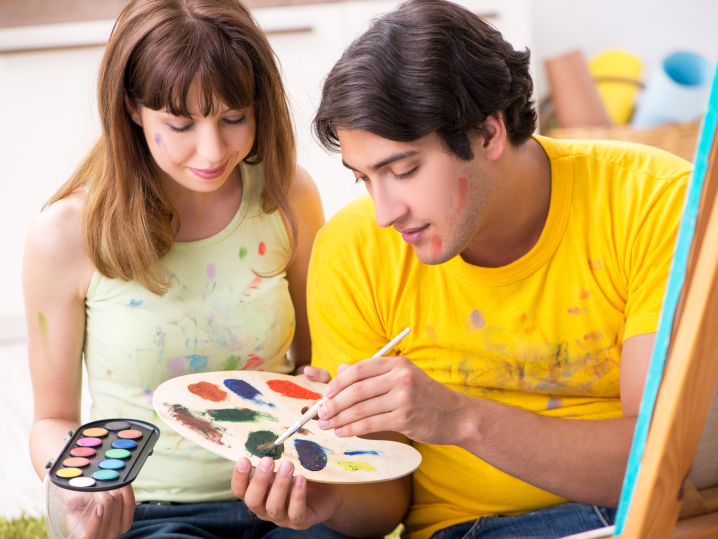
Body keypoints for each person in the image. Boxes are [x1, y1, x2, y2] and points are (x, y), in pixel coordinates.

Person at [298, 1, 689, 538]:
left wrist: (459, 418)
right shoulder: (351, 250)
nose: (384, 212)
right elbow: (383, 502)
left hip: (611, 518)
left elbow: (662, 460)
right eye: (363, 178)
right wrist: (327, 496)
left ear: (488, 133)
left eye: (404, 169)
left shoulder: (652, 202)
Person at [21, 0, 344, 537]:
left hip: (285, 495)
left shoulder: (289, 196)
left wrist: (322, 386)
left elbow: (315, 360)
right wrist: (80, 488)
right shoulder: (65, 236)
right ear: (131, 107)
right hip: (153, 514)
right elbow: (52, 420)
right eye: (180, 123)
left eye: (233, 118)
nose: (213, 150)